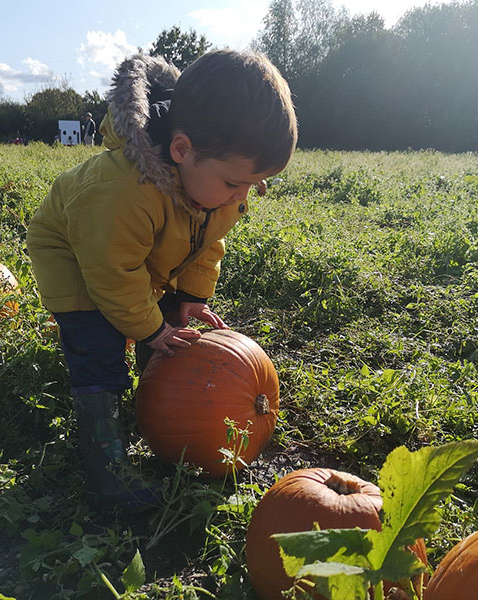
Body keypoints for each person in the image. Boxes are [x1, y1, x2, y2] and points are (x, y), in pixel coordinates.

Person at [26, 50, 298, 512]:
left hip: (138, 256)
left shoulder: (216, 185)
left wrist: (190, 297)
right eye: (236, 183)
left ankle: (158, 405)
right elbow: (113, 275)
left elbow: (209, 238)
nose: (243, 196)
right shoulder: (120, 192)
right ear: (180, 150)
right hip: (77, 258)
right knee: (100, 346)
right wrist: (148, 328)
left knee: (169, 322)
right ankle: (106, 462)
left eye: (254, 185)